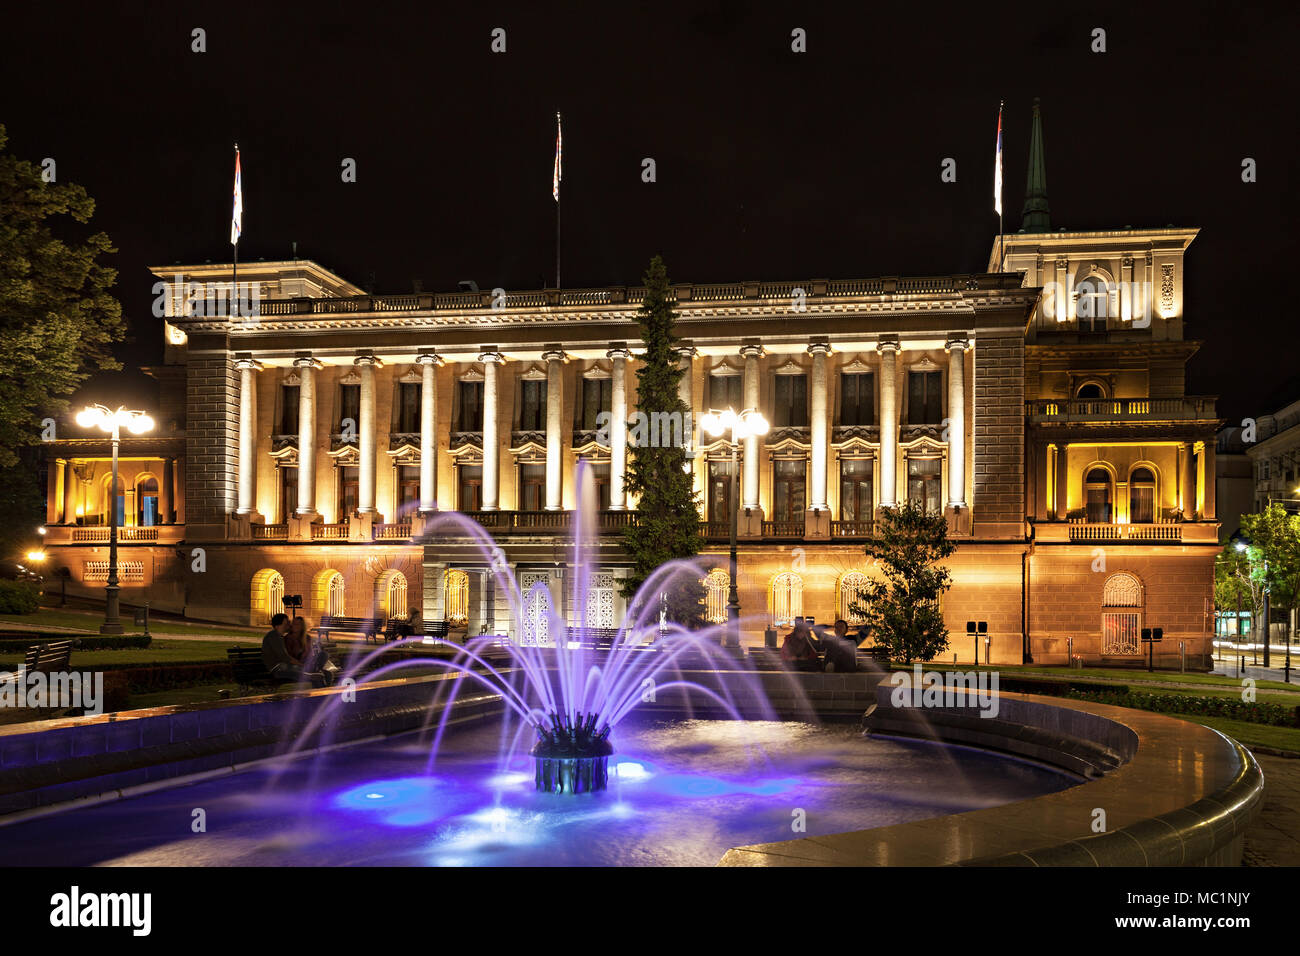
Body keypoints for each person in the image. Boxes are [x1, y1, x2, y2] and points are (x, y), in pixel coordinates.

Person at [262, 613, 326, 688]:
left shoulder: (278, 637)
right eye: (286, 623)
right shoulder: (273, 636)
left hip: (285, 667)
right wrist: (301, 665)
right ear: (277, 626)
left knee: (315, 675)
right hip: (279, 670)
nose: (289, 625)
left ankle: (318, 690)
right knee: (312, 676)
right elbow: (285, 657)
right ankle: (319, 694)